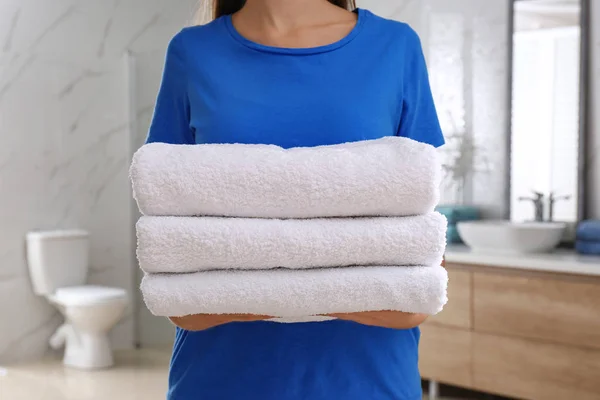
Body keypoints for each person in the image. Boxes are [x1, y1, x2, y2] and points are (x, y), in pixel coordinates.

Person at [146, 0, 445, 399]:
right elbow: (181, 289)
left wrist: (256, 288)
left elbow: (415, 286)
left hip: (367, 384)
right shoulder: (192, 52)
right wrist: (336, 286)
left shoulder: (395, 46)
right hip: (220, 382)